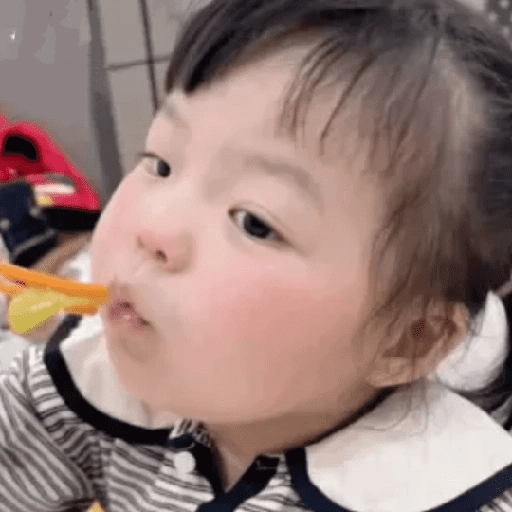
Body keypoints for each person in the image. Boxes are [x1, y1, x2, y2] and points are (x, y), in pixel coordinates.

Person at [1, 0, 512, 510]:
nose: (153, 227)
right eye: (160, 164)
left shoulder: (440, 495)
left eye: (255, 222)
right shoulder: (95, 377)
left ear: (406, 338)